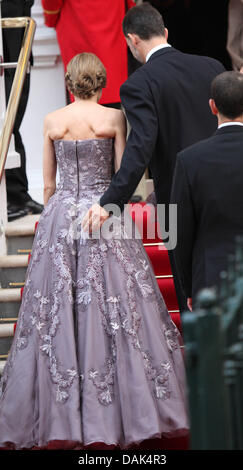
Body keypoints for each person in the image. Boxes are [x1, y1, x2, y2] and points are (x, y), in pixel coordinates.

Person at [0, 52, 188, 450]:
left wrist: (53, 219)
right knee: (117, 305)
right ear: (102, 82)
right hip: (105, 211)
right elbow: (122, 173)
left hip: (62, 217)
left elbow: (48, 185)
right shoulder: (114, 118)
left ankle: (65, 411)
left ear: (69, 81)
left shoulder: (52, 121)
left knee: (58, 310)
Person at [82, 3, 225, 313]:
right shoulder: (212, 66)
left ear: (132, 40)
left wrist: (110, 201)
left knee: (188, 284)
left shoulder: (137, 84)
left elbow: (140, 147)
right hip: (225, 186)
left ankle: (201, 354)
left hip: (175, 198)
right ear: (166, 33)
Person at [170, 71, 243, 310]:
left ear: (212, 106)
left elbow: (179, 231)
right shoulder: (188, 159)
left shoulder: (190, 160)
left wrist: (189, 287)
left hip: (211, 279)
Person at [41, 0, 136, 107]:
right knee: (111, 93)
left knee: (81, 96)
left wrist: (50, 18)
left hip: (77, 21)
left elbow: (51, 4)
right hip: (110, 18)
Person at [2, 0, 44, 221]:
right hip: (5, 54)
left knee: (12, 124)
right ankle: (12, 196)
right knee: (6, 124)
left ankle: (17, 194)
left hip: (20, 50)